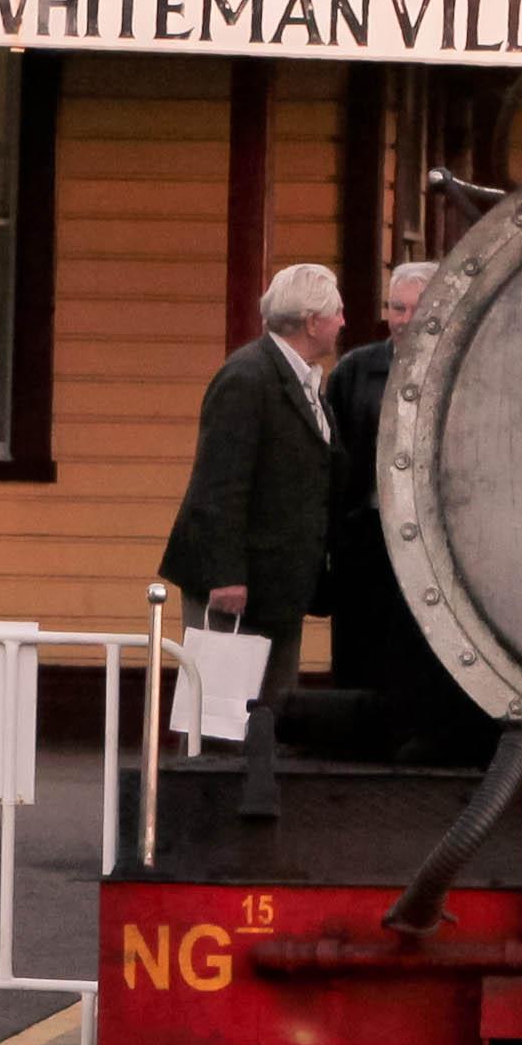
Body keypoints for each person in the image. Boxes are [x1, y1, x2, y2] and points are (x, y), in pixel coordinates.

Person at [167, 263, 346, 723]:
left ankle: (260, 794)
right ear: (312, 322)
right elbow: (218, 482)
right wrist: (225, 574)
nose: (343, 323)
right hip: (239, 584)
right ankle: (215, 795)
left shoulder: (304, 380)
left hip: (280, 583)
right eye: (337, 313)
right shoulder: (247, 378)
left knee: (270, 716)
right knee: (222, 717)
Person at [322, 259, 461, 733]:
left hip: (438, 540)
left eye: (413, 309)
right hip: (366, 535)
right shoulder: (356, 372)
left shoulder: (460, 367)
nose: (402, 319)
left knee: (423, 643)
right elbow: (332, 459)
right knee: (362, 640)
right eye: (394, 307)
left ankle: (422, 734)